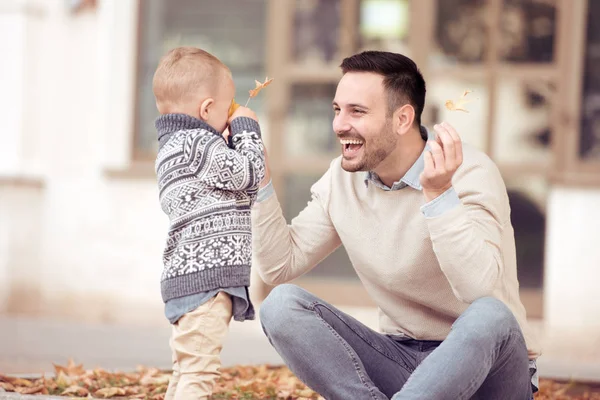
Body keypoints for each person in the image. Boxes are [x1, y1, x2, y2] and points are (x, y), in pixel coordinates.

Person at [252, 50, 540, 400]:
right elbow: (279, 266)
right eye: (337, 110)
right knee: (281, 305)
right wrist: (261, 184)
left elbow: (478, 288)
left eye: (357, 111)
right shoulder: (341, 181)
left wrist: (438, 195)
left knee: (491, 314)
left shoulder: (469, 172)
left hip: (489, 372)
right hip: (403, 362)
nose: (340, 124)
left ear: (403, 119)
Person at [152, 46, 265, 400]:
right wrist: (247, 128)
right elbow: (250, 173)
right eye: (228, 107)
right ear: (206, 110)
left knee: (187, 369)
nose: (231, 115)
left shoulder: (174, 146)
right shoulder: (198, 144)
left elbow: (226, 187)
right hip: (207, 280)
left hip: (188, 279)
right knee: (198, 373)